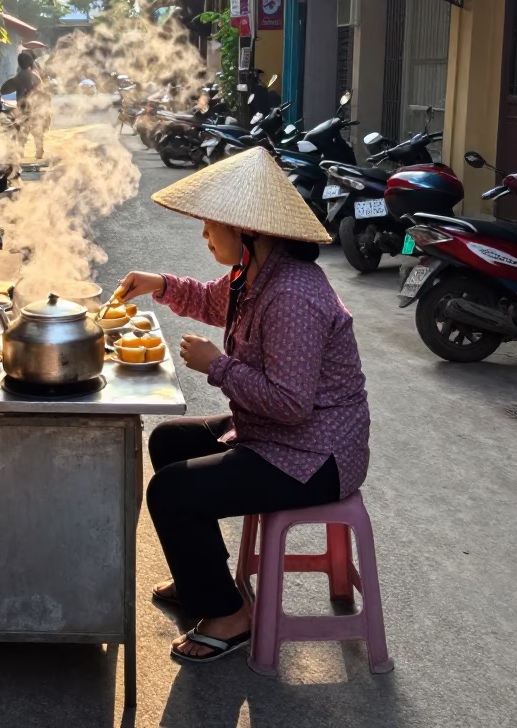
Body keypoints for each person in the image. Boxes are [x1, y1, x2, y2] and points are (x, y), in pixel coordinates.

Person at [117, 147, 370, 663]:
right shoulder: (254, 276)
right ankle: (203, 579)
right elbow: (212, 300)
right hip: (276, 436)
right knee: (169, 440)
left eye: (212, 225)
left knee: (171, 491)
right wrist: (159, 285)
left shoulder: (293, 295)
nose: (205, 235)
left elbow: (292, 404)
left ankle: (231, 615)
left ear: (246, 231)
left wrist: (218, 365)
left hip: (312, 455)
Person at [14, 50, 50, 160]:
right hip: (35, 107)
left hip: (27, 107)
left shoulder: (21, 75)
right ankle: (38, 151)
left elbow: (20, 93)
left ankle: (22, 152)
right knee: (35, 130)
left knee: (23, 130)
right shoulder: (34, 75)